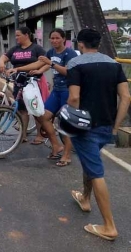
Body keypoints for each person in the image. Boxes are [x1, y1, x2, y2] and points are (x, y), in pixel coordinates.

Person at [65, 28, 128, 241]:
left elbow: (74, 98)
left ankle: (109, 226)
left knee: (96, 172)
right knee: (90, 161)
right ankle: (84, 198)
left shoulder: (76, 64)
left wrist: (67, 118)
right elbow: (126, 98)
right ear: (98, 44)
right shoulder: (114, 64)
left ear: (80, 44)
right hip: (106, 125)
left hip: (85, 127)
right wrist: (115, 127)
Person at [0, 26, 64, 159]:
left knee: (37, 111)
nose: (16, 38)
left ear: (27, 35)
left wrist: (37, 71)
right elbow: (5, 56)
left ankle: (43, 137)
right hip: (20, 83)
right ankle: (23, 135)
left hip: (34, 84)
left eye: (18, 35)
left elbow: (45, 63)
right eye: (15, 36)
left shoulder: (37, 49)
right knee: (23, 110)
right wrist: (1, 63)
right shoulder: (15, 49)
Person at [37, 29, 78, 167]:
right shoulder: (51, 52)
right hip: (56, 90)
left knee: (65, 124)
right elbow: (43, 64)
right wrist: (36, 71)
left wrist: (51, 63)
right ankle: (56, 145)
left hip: (67, 91)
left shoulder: (69, 54)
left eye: (57, 38)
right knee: (43, 116)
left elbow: (67, 71)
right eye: (52, 38)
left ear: (63, 39)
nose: (54, 41)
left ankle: (67, 155)